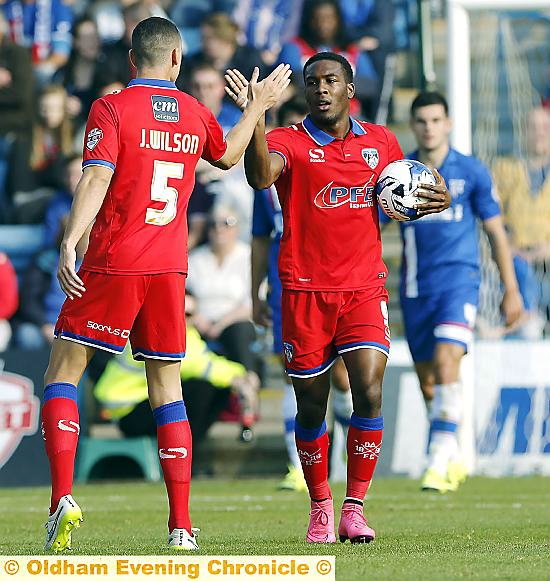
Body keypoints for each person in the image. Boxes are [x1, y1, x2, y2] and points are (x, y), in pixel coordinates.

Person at [41, 15, 291, 553]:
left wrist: (70, 238)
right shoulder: (195, 113)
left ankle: (62, 499)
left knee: (64, 372)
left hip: (115, 260)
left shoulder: (111, 107)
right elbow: (226, 157)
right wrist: (256, 107)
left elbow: (98, 175)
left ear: (133, 61)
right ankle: (181, 526)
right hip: (169, 268)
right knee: (167, 386)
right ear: (177, 60)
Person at [226, 52, 450, 544]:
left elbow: (414, 187)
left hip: (364, 288)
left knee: (369, 388)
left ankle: (354, 508)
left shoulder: (381, 143)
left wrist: (439, 195)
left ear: (350, 89)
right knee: (311, 405)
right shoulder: (289, 141)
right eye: (312, 82)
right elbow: (260, 177)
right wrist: (259, 115)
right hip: (304, 292)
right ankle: (320, 506)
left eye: (330, 80)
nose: (321, 88)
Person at [386, 91, 523, 493]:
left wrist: (510, 289)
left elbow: (496, 233)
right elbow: (373, 227)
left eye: (435, 120)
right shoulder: (400, 175)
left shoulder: (471, 171)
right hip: (415, 288)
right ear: (413, 126)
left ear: (448, 124)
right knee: (429, 381)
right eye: (421, 121)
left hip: (459, 282)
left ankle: (435, 459)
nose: (429, 127)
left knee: (448, 364)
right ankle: (452, 452)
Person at [93, 293, 260, 473]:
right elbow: (201, 367)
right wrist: (245, 377)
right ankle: (182, 459)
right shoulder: (161, 331)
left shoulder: (187, 334)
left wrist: (242, 378)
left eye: (190, 314)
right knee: (202, 388)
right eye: (182, 313)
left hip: (147, 404)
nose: (185, 318)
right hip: (127, 411)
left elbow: (206, 361)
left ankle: (187, 454)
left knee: (217, 390)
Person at [492, 105, 550, 338]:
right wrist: (509, 246)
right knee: (518, 273)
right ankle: (523, 323)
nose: (540, 133)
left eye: (545, 127)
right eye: (533, 127)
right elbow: (493, 217)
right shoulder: (504, 168)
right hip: (517, 262)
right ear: (524, 131)